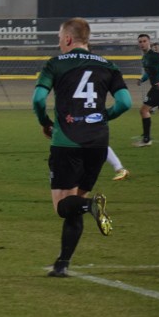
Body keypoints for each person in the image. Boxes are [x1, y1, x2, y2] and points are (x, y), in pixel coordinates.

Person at [32, 18, 131, 278]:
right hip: (98, 143)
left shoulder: (55, 63)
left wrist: (45, 123)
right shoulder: (108, 66)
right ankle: (62, 264)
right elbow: (125, 102)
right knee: (76, 200)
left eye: (58, 37)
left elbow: (38, 99)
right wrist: (103, 116)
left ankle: (91, 207)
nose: (58, 42)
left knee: (64, 206)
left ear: (67, 39)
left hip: (67, 142)